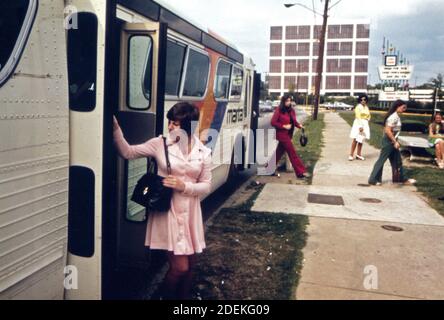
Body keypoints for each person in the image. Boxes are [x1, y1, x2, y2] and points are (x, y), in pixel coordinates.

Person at [113, 102, 212, 299]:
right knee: (180, 267)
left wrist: (184, 186)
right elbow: (128, 152)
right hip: (169, 212)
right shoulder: (160, 144)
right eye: (170, 122)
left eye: (175, 123)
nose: (169, 127)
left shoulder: (202, 151)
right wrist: (115, 128)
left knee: (191, 266)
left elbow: (207, 185)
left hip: (191, 213)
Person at [368, 100, 416, 186]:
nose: (404, 110)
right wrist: (394, 141)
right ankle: (373, 179)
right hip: (389, 141)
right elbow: (387, 130)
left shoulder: (396, 116)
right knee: (382, 160)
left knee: (397, 160)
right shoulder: (393, 117)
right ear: (397, 106)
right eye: (403, 107)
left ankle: (398, 179)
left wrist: (395, 141)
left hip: (393, 140)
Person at [268, 94, 309, 179]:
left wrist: (299, 126)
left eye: (290, 100)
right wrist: (284, 126)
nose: (288, 102)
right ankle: (300, 172)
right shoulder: (279, 110)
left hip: (288, 135)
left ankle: (268, 169)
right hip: (282, 135)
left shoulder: (291, 110)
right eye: (287, 101)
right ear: (283, 101)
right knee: (292, 153)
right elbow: (273, 122)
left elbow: (293, 121)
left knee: (278, 153)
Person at [349, 94, 371, 161]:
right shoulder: (358, 107)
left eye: (364, 99)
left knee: (361, 140)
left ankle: (358, 155)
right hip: (358, 123)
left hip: (365, 123)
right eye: (361, 99)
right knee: (355, 139)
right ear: (359, 100)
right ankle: (351, 155)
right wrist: (360, 126)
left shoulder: (366, 107)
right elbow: (358, 116)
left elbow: (369, 115)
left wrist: (368, 119)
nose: (363, 101)